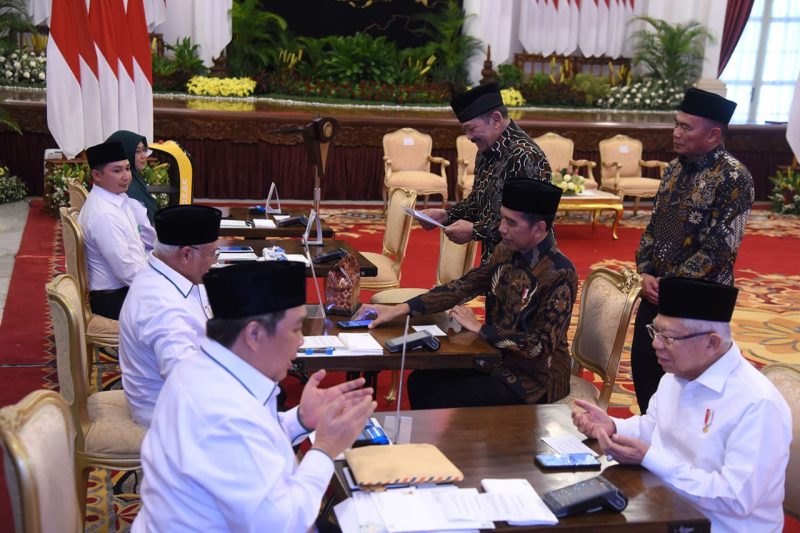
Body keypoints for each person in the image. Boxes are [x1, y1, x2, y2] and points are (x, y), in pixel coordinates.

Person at [132, 261, 376, 532]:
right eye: (296, 329)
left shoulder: (205, 368)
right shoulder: (223, 413)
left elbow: (254, 442)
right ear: (254, 334)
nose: (301, 341)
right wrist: (325, 448)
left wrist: (302, 419)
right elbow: (283, 525)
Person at [572, 277, 791, 533]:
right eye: (656, 332)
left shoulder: (757, 404)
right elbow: (655, 426)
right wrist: (613, 426)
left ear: (711, 343)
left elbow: (735, 499)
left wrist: (651, 458)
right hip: (663, 509)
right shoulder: (675, 377)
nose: (656, 344)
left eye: (669, 338)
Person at [358, 180, 577, 408]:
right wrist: (399, 309)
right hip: (495, 358)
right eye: (502, 218)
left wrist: (481, 329)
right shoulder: (505, 251)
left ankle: (458, 443)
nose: (502, 228)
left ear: (539, 229)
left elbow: (539, 347)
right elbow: (462, 287)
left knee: (434, 393)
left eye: (511, 222)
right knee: (421, 381)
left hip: (536, 381)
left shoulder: (560, 272)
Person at [631, 88, 755, 413]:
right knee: (647, 375)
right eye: (676, 124)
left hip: (700, 305)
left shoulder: (734, 178)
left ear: (714, 134)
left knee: (691, 391)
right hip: (656, 294)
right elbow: (653, 227)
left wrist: (670, 284)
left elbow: (720, 249)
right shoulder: (674, 169)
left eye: (687, 127)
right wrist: (644, 270)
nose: (676, 132)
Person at [419, 82, 552, 264]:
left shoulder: (526, 155)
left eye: (471, 128)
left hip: (526, 266)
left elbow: (526, 226)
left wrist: (475, 231)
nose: (469, 137)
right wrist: (446, 215)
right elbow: (477, 203)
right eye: (465, 130)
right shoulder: (485, 151)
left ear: (496, 119)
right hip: (493, 262)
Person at [118, 204, 221, 427]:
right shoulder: (162, 308)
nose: (214, 262)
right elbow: (189, 385)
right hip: (171, 419)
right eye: (213, 254)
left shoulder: (168, 273)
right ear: (186, 254)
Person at [77, 141, 153, 320]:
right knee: (180, 309)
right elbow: (126, 271)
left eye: (127, 169)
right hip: (112, 298)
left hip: (125, 289)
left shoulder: (117, 199)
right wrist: (160, 285)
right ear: (97, 175)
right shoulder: (104, 215)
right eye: (117, 171)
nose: (126, 176)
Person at [106, 130, 159, 225]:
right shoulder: (126, 189)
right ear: (125, 152)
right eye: (138, 151)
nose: (144, 156)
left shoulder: (134, 180)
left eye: (144, 150)